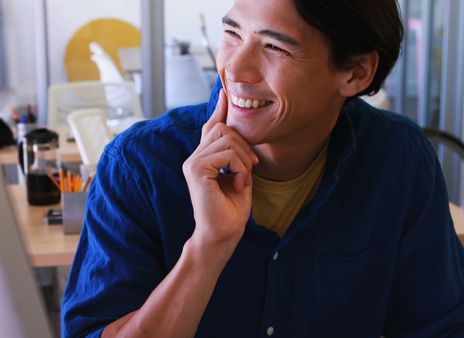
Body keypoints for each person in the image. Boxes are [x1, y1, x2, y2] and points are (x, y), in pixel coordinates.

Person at [62, 0, 464, 336]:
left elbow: (437, 327)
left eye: (274, 47)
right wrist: (206, 248)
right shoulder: (138, 166)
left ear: (356, 73)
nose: (235, 70)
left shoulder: (399, 159)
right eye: (233, 34)